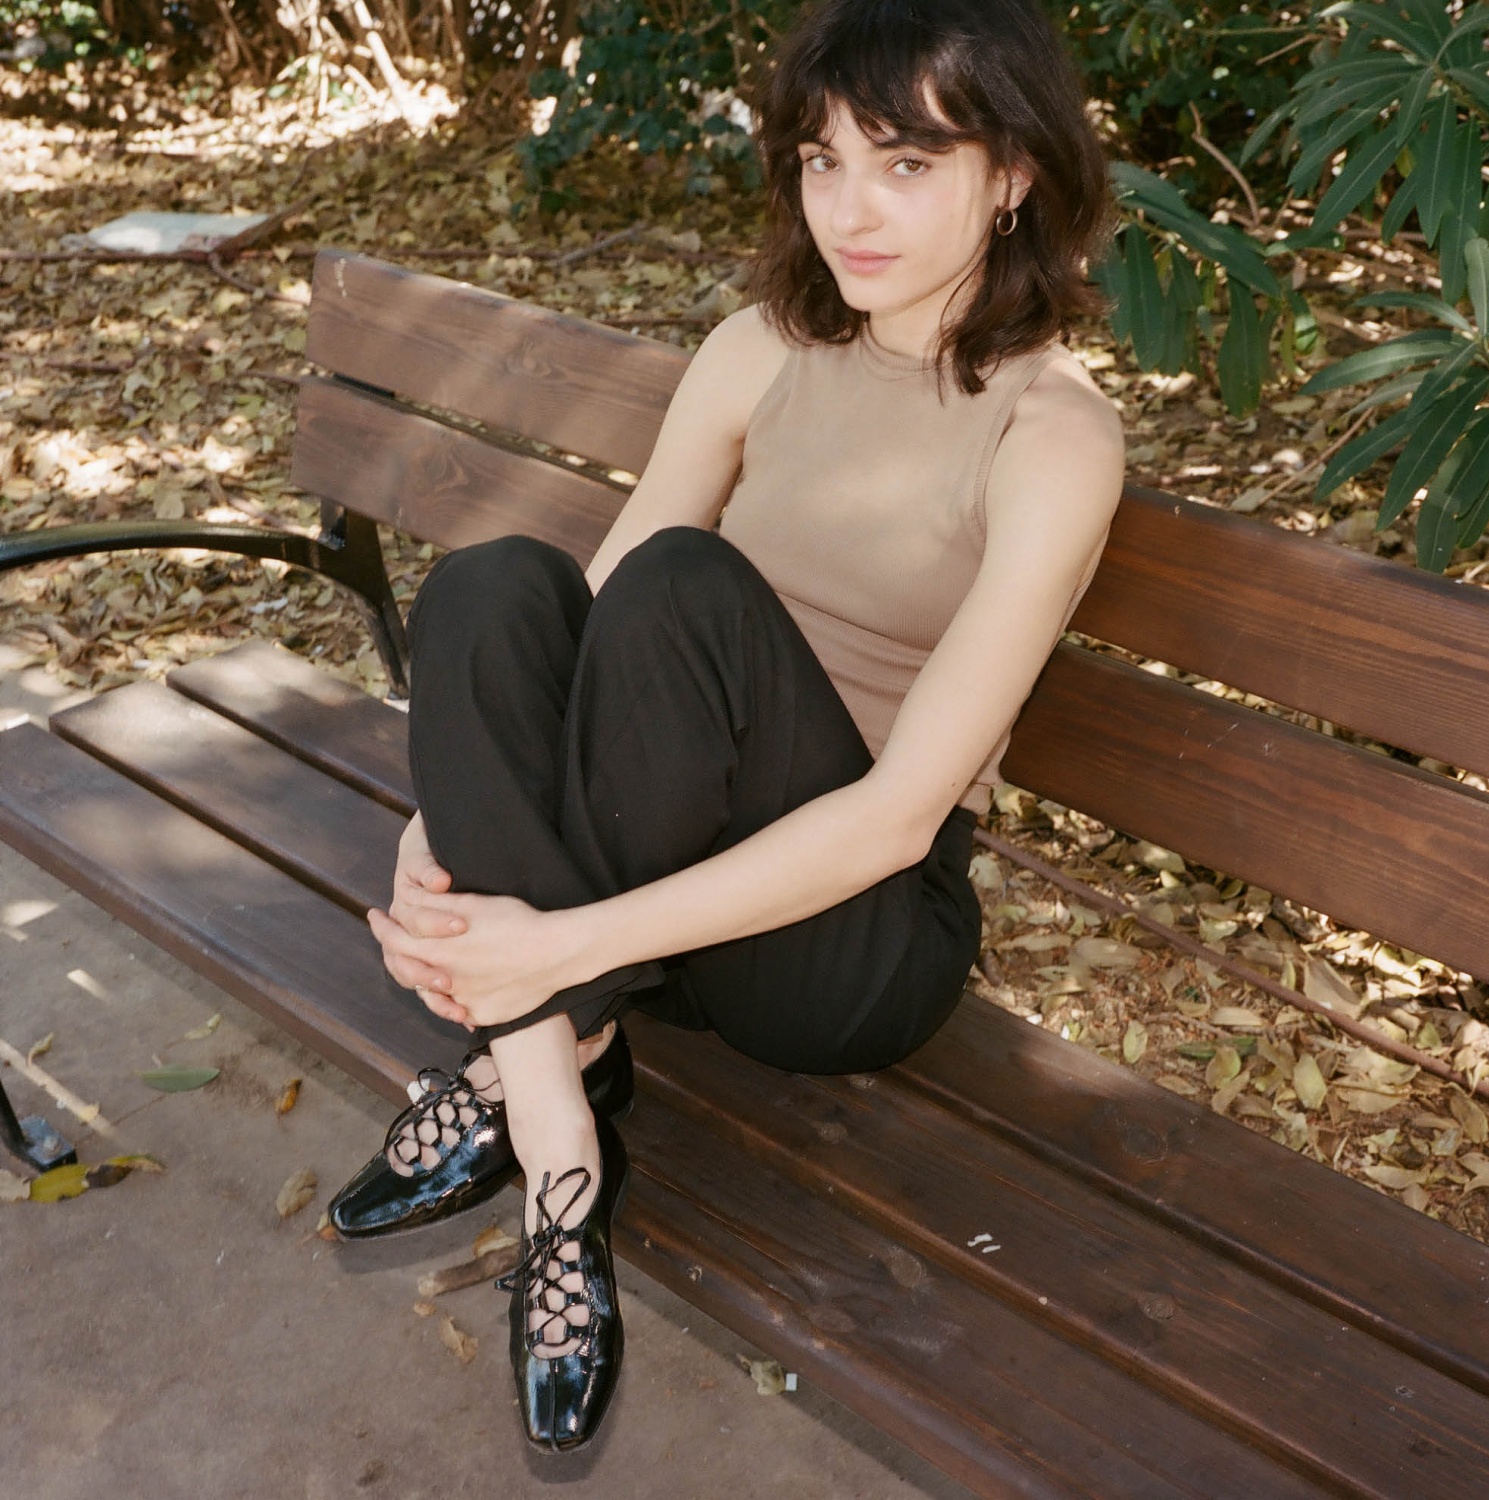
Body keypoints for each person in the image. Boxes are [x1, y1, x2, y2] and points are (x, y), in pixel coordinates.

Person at [325, 0, 1124, 1455]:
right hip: (659, 891)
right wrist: (438, 827)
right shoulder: (759, 347)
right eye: (824, 161)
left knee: (689, 591)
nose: (850, 210)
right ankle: (561, 1137)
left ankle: (536, 1050)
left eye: (905, 163)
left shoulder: (1052, 434)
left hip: (842, 943)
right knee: (499, 586)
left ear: (1014, 172)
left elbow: (897, 816)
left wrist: (549, 942)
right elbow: (589, 625)